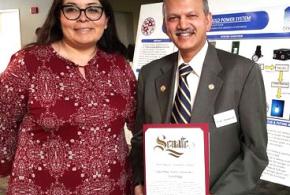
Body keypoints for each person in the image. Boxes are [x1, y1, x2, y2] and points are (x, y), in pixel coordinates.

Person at [130, 0, 268, 194]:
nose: (183, 25)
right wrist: (138, 182)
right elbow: (139, 139)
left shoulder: (243, 72)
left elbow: (255, 151)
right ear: (165, 25)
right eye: (173, 18)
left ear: (208, 21)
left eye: (191, 15)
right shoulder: (150, 73)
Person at [0, 0, 136, 194]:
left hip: (114, 186)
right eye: (71, 9)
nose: (83, 17)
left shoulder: (120, 66)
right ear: (58, 17)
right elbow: (3, 124)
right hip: (41, 187)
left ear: (106, 20)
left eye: (93, 9)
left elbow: (137, 124)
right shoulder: (27, 63)